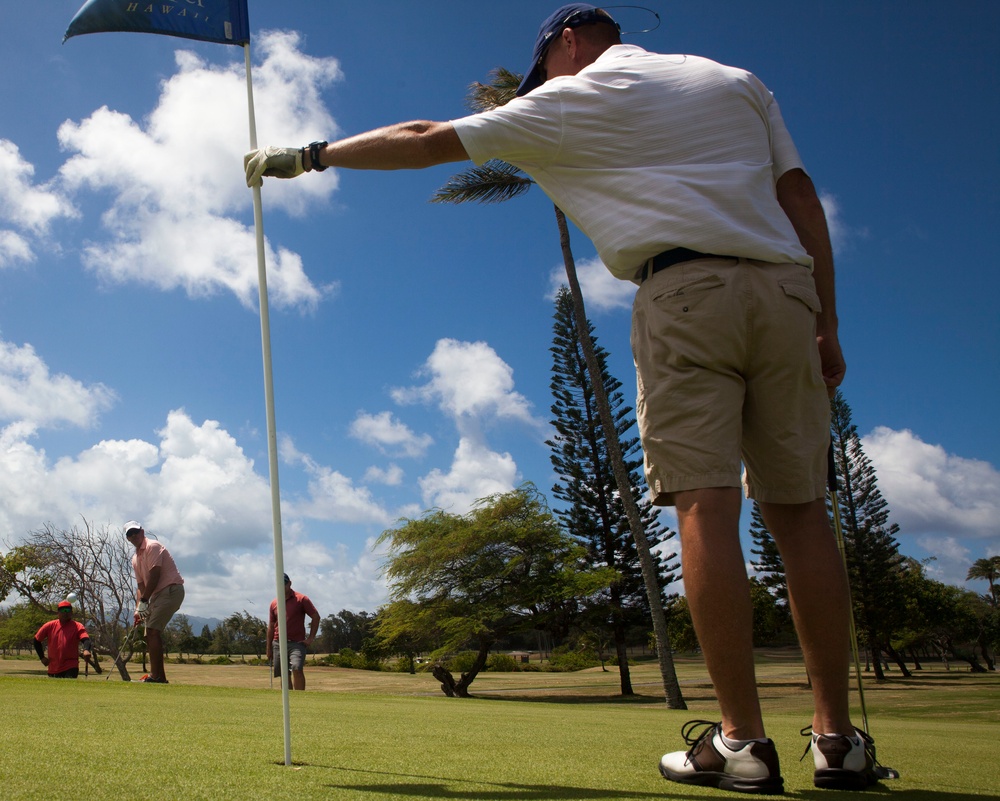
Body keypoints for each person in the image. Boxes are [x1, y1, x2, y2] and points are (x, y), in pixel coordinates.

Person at [244, 4, 883, 792]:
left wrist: (309, 154)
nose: (542, 79)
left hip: (684, 293)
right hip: (789, 294)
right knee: (801, 512)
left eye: (543, 64)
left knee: (706, 506)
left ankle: (743, 740)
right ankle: (837, 741)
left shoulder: (569, 96)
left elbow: (419, 140)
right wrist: (828, 321)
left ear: (567, 44)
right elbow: (801, 197)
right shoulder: (737, 81)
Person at [124, 520, 184, 684]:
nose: (133, 535)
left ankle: (156, 677)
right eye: (129, 534)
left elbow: (155, 575)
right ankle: (159, 677)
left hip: (171, 590)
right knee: (149, 634)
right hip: (157, 594)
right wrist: (138, 608)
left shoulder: (153, 546)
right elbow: (141, 585)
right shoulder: (135, 558)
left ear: (142, 531)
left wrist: (144, 601)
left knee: (152, 630)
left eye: (135, 531)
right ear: (127, 538)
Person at [267, 574, 320, 690]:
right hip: (278, 643)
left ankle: (299, 699)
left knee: (297, 668)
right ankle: (288, 699)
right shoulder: (274, 603)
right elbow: (271, 626)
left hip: (297, 643)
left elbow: (315, 617)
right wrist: (268, 648)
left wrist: (310, 638)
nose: (282, 587)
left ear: (289, 583)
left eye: (284, 584)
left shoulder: (301, 599)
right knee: (284, 673)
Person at [34, 601, 93, 678]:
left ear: (71, 612)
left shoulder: (77, 626)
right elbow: (36, 640)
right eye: (62, 610)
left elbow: (86, 639)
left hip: (71, 665)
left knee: (68, 687)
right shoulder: (49, 626)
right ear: (58, 613)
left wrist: (86, 650)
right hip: (54, 666)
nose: (65, 613)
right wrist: (42, 657)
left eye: (68, 610)